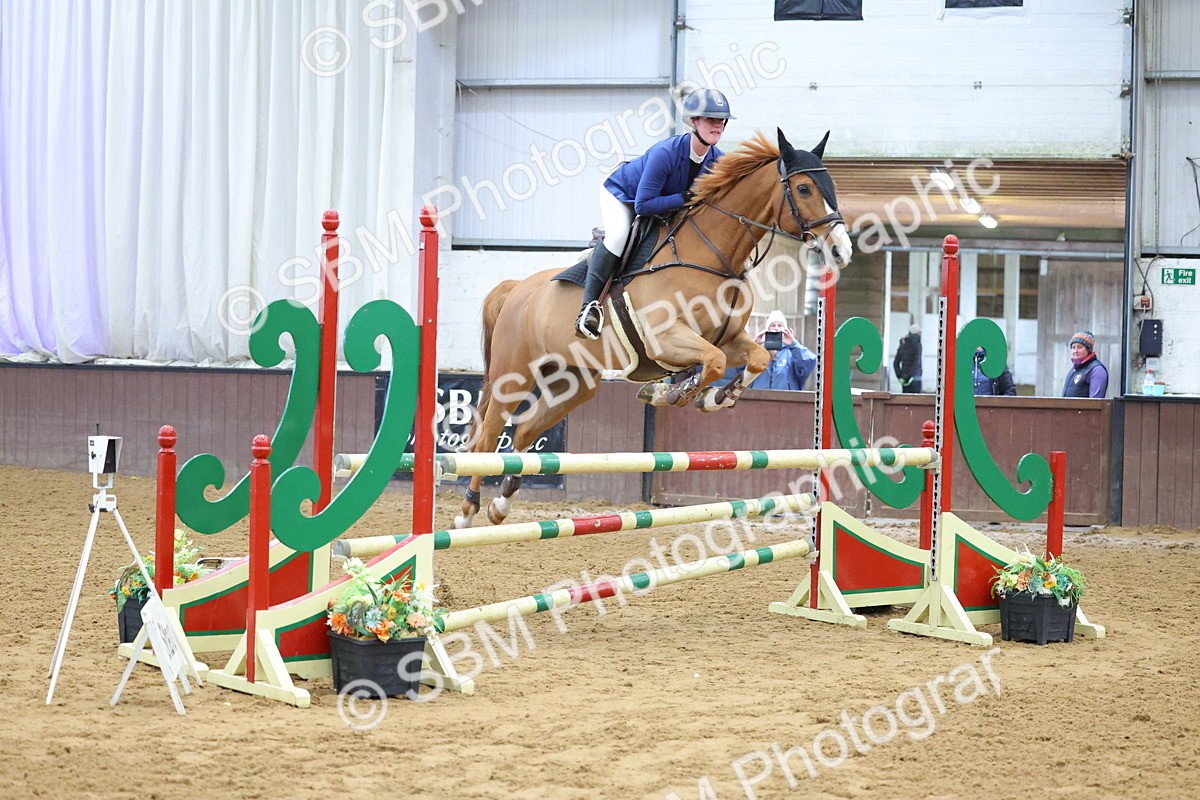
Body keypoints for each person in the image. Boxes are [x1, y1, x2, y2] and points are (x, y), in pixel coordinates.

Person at [574, 88, 733, 339]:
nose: (718, 125)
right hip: (623, 194)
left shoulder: (718, 162)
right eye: (710, 119)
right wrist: (684, 198)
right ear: (694, 121)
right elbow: (643, 206)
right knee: (618, 236)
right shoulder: (666, 153)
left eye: (721, 120)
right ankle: (589, 308)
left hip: (662, 203)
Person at [747, 311, 817, 390]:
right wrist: (753, 345)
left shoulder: (792, 353)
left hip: (786, 397)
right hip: (759, 397)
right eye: (773, 325)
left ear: (785, 329)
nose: (776, 328)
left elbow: (809, 361)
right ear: (767, 329)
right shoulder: (758, 353)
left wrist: (793, 344)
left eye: (780, 325)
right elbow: (738, 366)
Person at [1062, 330, 1108, 398]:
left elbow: (1096, 402)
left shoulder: (1097, 370)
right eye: (1073, 347)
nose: (1075, 351)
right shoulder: (1075, 368)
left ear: (1089, 349)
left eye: (1079, 347)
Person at [893, 324, 922, 393]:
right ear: (917, 333)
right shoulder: (918, 345)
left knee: (905, 398)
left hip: (904, 379)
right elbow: (916, 363)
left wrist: (899, 376)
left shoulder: (903, 344)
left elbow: (895, 363)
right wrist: (910, 376)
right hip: (915, 378)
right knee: (917, 399)